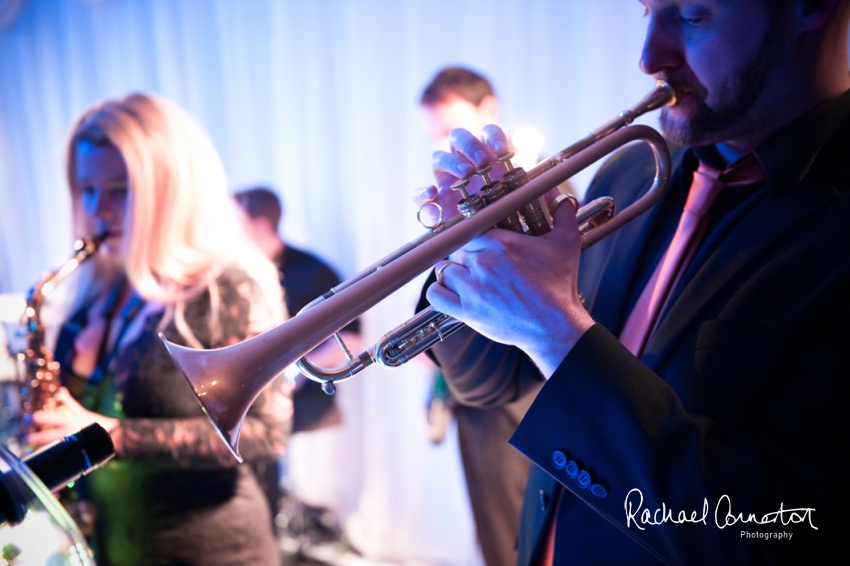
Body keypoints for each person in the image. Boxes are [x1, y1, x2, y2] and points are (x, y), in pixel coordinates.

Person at [415, 0, 850, 564]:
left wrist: (558, 334)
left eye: (692, 16)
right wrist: (474, 252)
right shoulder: (634, 168)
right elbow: (491, 384)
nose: (648, 57)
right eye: (647, 12)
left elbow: (783, 531)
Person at [26, 93, 291, 566]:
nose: (97, 210)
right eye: (86, 189)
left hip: (213, 551)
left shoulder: (224, 288)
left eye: (119, 191)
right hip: (118, 546)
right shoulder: (98, 291)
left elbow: (268, 433)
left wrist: (114, 434)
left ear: (169, 190)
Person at [418, 66, 544, 566]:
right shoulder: (457, 203)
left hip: (522, 401)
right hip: (474, 397)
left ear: (488, 111)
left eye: (451, 130)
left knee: (520, 539)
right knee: (494, 536)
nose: (441, 149)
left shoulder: (544, 187)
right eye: (434, 136)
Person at [233, 186, 360, 545]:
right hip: (256, 391)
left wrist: (290, 374)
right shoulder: (236, 275)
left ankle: (261, 534)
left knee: (251, 435)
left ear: (259, 224)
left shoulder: (313, 272)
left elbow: (350, 341)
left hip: (303, 392)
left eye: (235, 221)